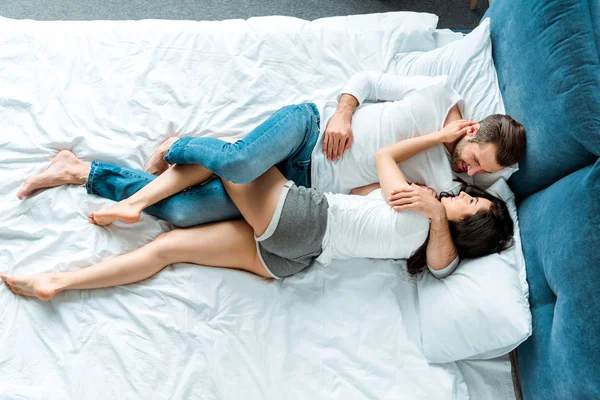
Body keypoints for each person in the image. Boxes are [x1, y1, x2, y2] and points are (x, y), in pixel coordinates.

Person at [16, 72, 526, 271]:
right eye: (475, 159)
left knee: (182, 211)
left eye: (478, 176)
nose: (468, 171)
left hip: (305, 186)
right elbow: (366, 79)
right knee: (236, 161)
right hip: (309, 132)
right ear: (475, 129)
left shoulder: (441, 192)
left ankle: (78, 170)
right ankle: (182, 146)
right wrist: (346, 111)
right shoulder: (439, 93)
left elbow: (376, 190)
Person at [1, 121, 514, 300]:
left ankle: (172, 149)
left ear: (468, 225)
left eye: (468, 201)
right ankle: (56, 283)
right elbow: (441, 264)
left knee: (232, 157)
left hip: (302, 221)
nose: (460, 192)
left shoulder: (420, 215)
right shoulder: (424, 240)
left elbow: (384, 157)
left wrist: (430, 202)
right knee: (169, 246)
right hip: (295, 258)